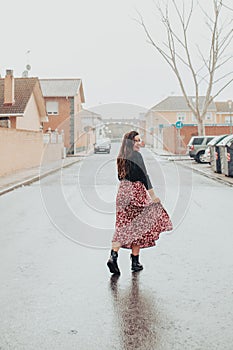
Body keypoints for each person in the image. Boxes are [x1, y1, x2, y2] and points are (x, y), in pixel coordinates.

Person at [107, 130, 173, 274]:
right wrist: (153, 195)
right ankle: (135, 262)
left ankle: (113, 256)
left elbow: (120, 177)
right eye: (136, 141)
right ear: (130, 142)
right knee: (139, 226)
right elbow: (144, 176)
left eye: (139, 140)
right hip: (136, 192)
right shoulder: (137, 156)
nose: (139, 143)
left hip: (123, 192)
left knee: (122, 226)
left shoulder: (121, 157)